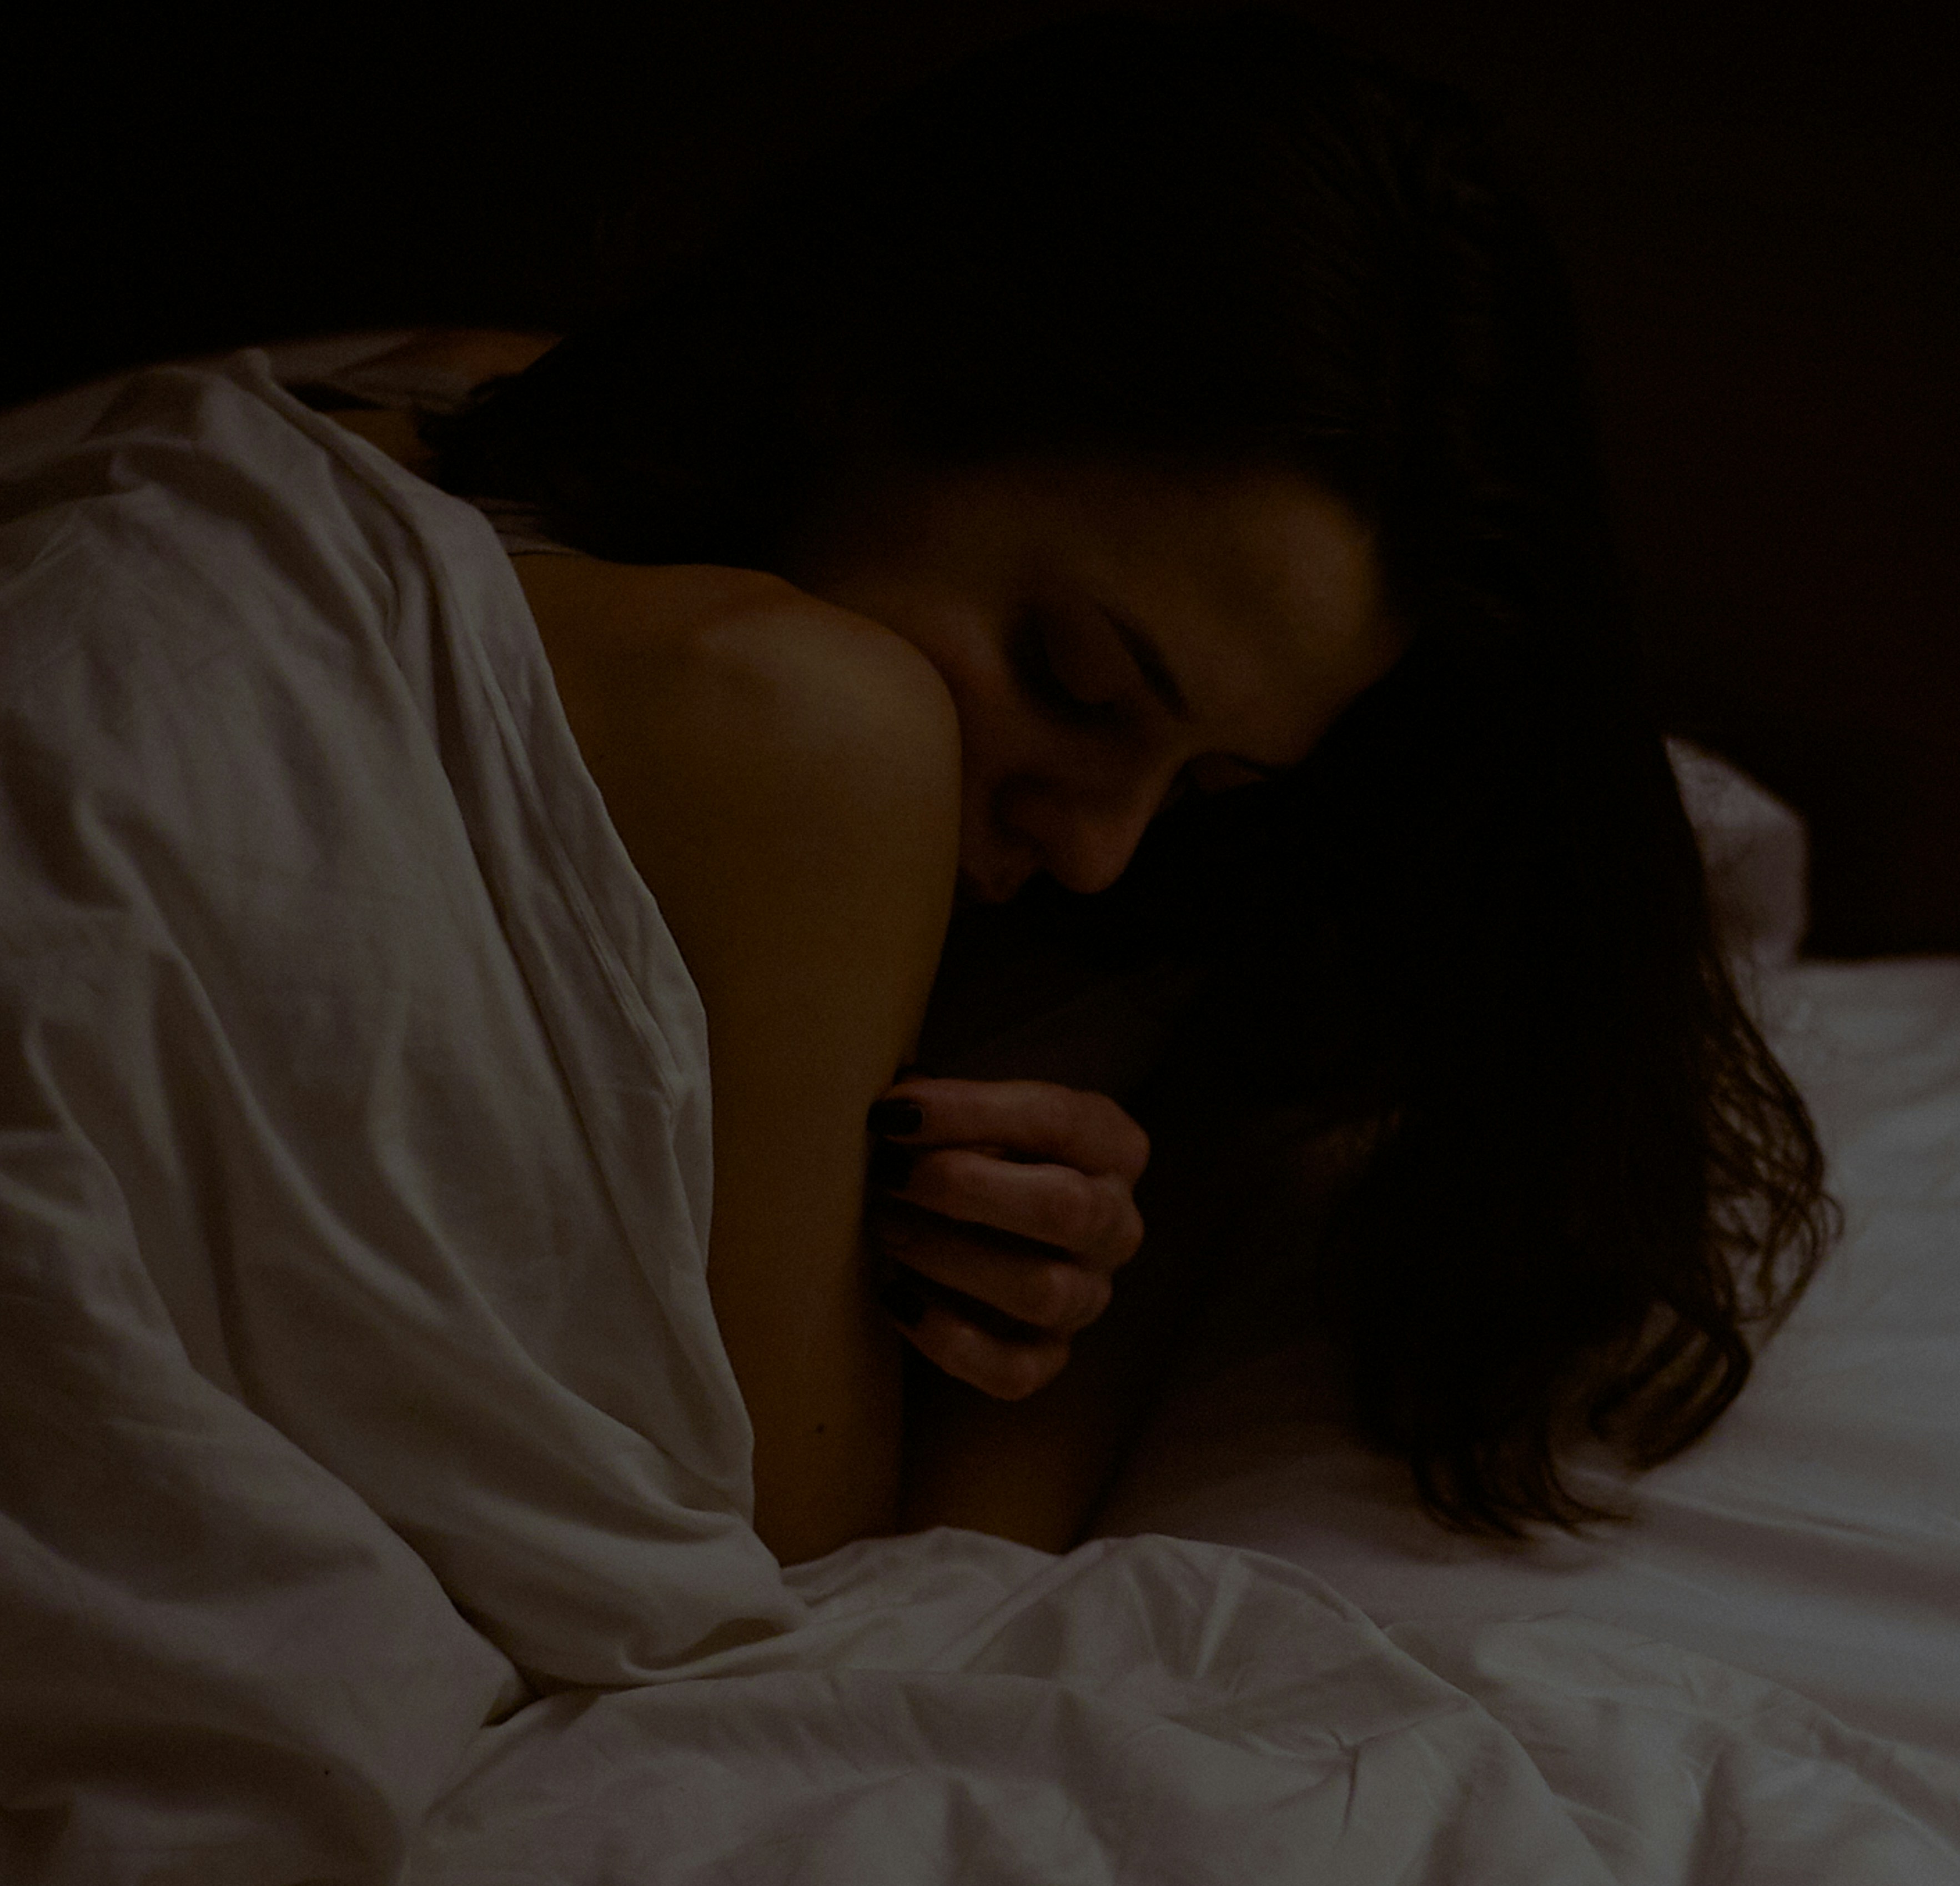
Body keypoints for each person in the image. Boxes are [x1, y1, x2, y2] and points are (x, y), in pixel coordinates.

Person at [50, 7, 1836, 1569]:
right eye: (1074, 681)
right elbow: (841, 1589)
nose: (1101, 851)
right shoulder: (822, 727)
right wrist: (1096, 1290)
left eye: (1207, 787)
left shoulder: (429, 384)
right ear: (870, 369)